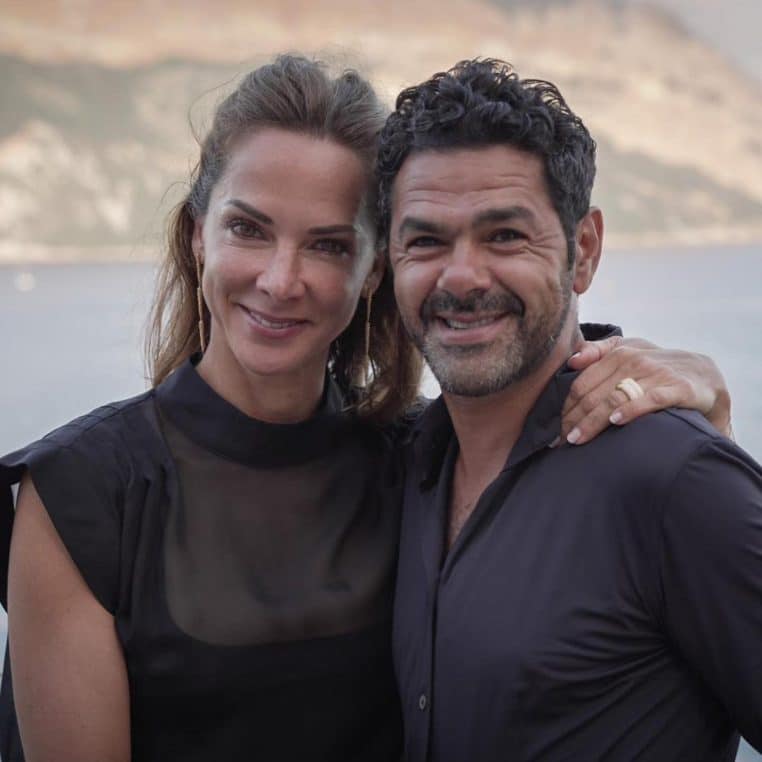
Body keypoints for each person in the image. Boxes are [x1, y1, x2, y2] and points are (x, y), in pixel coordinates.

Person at [0, 55, 734, 762]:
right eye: (248, 229)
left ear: (373, 268)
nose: (280, 280)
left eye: (327, 245)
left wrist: (706, 398)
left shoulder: (419, 459)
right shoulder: (83, 495)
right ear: (197, 235)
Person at [382, 59, 762, 761]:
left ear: (582, 251)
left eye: (504, 235)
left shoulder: (677, 480)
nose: (461, 276)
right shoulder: (401, 465)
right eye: (426, 240)